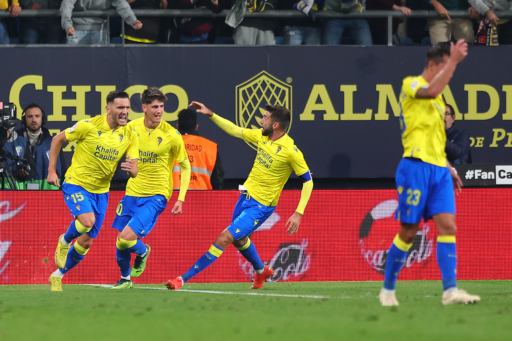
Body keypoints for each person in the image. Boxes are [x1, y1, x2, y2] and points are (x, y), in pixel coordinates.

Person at [166, 102, 313, 290]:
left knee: (224, 238)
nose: (261, 121)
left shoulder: (291, 151)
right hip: (245, 198)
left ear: (275, 125)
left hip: (261, 206)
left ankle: (182, 279)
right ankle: (261, 271)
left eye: (265, 118)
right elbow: (235, 130)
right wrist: (211, 114)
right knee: (239, 239)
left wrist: (298, 213)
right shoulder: (262, 136)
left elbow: (308, 181)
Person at [379, 41, 480, 306]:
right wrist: (454, 62)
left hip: (439, 171)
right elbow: (432, 88)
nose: (449, 73)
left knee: (448, 226)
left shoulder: (439, 101)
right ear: (433, 65)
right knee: (409, 231)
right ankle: (388, 290)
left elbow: (437, 139)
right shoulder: (411, 84)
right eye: (445, 67)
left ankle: (450, 290)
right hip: (415, 166)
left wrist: (449, 167)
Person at [47, 91, 139, 292]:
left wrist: (133, 170)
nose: (125, 112)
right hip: (76, 183)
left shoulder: (130, 134)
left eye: (127, 108)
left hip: (101, 192)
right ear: (108, 109)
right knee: (86, 221)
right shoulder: (88, 126)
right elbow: (57, 140)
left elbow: (135, 168)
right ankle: (64, 240)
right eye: (120, 108)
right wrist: (52, 170)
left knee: (86, 241)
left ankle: (57, 276)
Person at [110, 88, 191, 289]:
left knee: (126, 237)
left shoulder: (172, 134)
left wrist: (180, 198)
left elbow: (186, 166)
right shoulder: (131, 127)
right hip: (132, 193)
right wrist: (129, 169)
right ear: (144, 108)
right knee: (120, 241)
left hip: (157, 195)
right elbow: (124, 154)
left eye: (162, 106)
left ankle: (143, 251)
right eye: (154, 106)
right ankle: (125, 279)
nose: (159, 111)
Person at [16, 103, 66, 189]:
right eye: (30, 116)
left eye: (37, 116)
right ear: (24, 120)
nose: (34, 120)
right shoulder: (15, 141)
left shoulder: (52, 142)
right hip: (19, 196)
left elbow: (63, 171)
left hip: (48, 195)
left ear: (42, 119)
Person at [173, 108, 224, 190]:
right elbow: (218, 180)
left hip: (172, 198)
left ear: (177, 127)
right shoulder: (210, 147)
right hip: (202, 199)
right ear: (196, 127)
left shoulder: (167, 145)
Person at [60, 0, 143, 45]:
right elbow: (66, 5)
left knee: (77, 67)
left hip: (98, 31)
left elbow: (122, 4)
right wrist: (67, 24)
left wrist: (133, 20)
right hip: (78, 31)